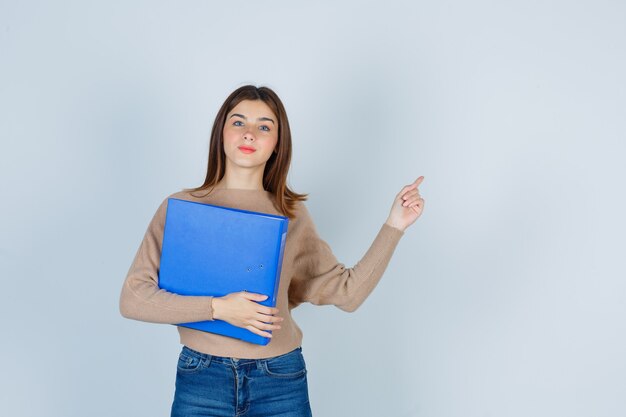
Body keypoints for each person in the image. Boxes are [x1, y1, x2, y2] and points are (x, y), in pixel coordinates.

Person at [119, 84, 425, 416]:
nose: (249, 134)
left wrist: (394, 225)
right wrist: (218, 309)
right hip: (201, 378)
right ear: (221, 133)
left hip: (278, 380)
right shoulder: (179, 209)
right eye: (238, 122)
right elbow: (133, 299)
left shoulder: (290, 216)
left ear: (277, 144)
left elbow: (348, 294)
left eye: (264, 126)